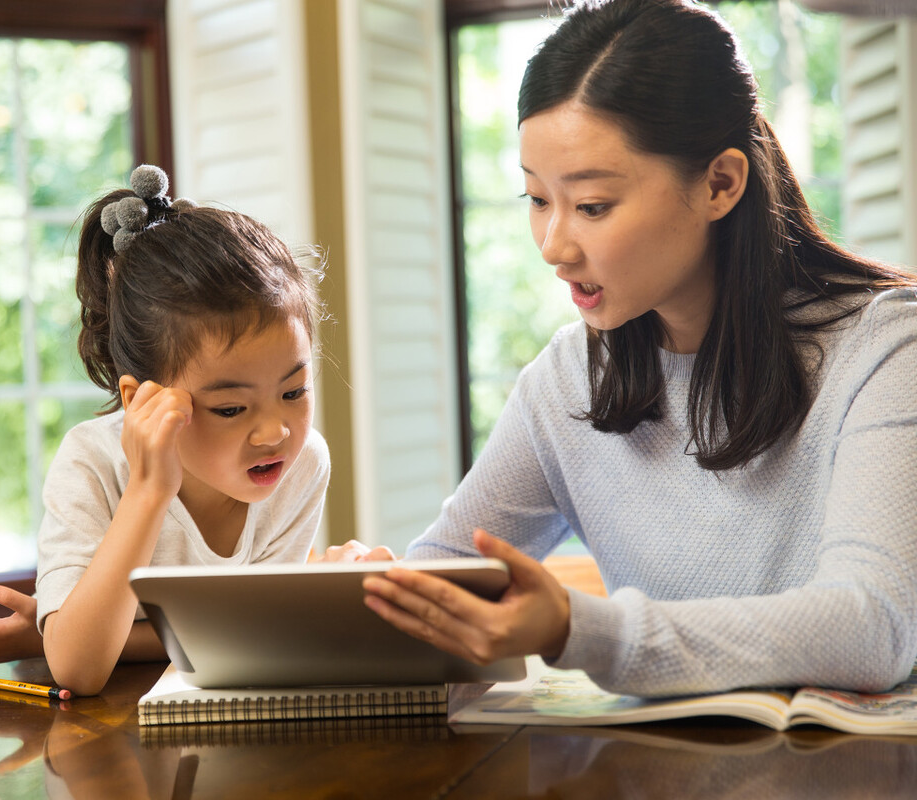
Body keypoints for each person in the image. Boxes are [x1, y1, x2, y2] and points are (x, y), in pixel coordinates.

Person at [345, 0, 917, 698]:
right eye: (535, 199)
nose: (554, 247)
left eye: (591, 206)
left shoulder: (886, 349)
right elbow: (448, 571)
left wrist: (576, 629)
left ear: (719, 183)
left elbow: (873, 626)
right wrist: (374, 591)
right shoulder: (568, 377)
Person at [0, 165, 330, 695]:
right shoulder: (91, 464)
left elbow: (250, 636)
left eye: (293, 392)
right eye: (231, 409)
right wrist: (148, 491)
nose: (274, 433)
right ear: (140, 400)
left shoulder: (302, 465)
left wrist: (57, 636)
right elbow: (78, 671)